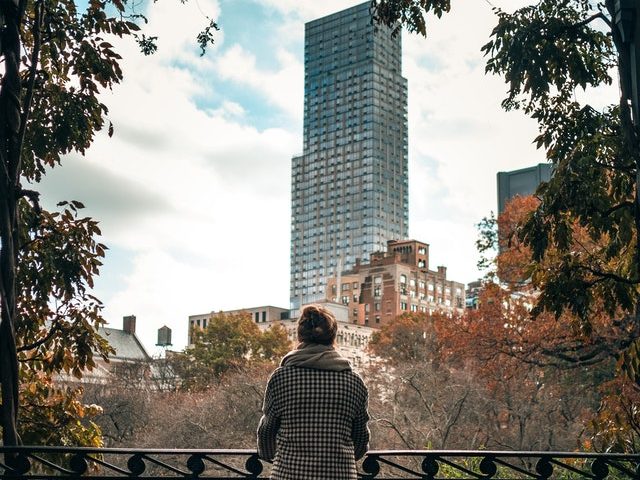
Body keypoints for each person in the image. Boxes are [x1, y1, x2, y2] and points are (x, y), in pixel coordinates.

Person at [257, 304, 370, 480]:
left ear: (300, 335)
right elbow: (361, 437)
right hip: (339, 475)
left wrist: (273, 455)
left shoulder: (282, 378)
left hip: (289, 474)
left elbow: (267, 430)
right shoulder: (354, 382)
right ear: (333, 337)